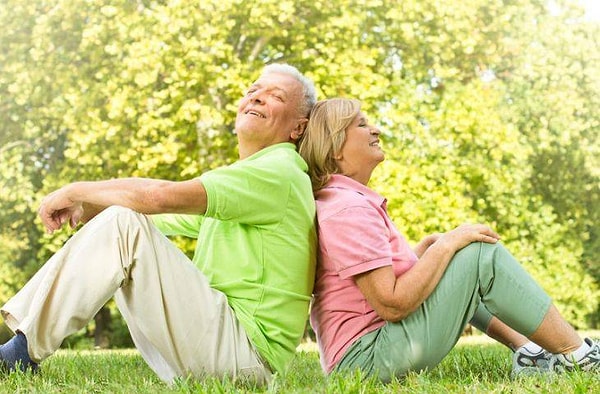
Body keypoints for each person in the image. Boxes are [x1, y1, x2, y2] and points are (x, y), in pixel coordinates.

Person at [0, 63, 318, 386]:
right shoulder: (251, 178)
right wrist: (88, 208)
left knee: (123, 222)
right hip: (221, 353)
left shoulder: (280, 170)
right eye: (252, 91)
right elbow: (151, 213)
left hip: (243, 359)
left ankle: (19, 355)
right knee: (125, 219)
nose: (257, 98)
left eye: (275, 96)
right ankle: (21, 348)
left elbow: (158, 198)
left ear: (298, 127)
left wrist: (74, 191)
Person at [297, 97, 599, 382]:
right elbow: (391, 304)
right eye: (361, 124)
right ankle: (579, 357)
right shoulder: (347, 209)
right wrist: (445, 246)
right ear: (335, 146)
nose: (375, 128)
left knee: (456, 259)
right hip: (367, 359)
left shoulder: (343, 200)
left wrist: (428, 254)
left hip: (368, 353)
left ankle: (530, 355)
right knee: (480, 255)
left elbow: (366, 290)